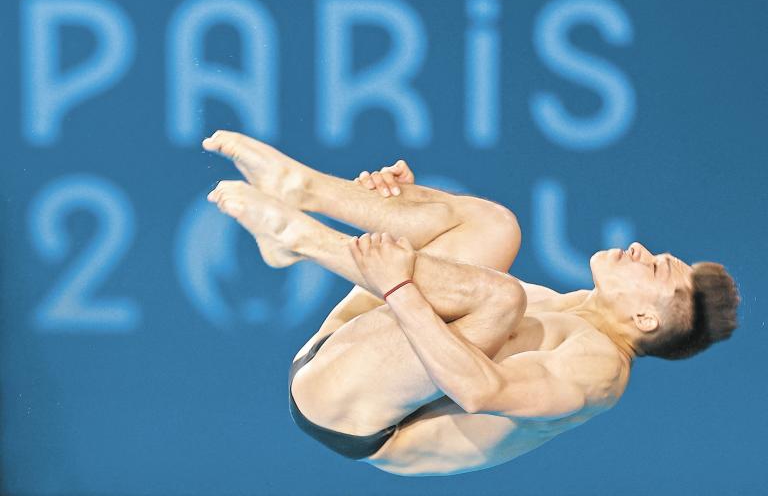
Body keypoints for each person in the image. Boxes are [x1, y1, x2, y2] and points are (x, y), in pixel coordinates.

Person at [202, 130, 741, 476]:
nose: (642, 250)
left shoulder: (598, 370)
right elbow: (449, 279)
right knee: (495, 226)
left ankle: (302, 239)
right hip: (347, 351)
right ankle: (306, 191)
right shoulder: (570, 305)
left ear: (644, 319)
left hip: (352, 415)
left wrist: (396, 286)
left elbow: (480, 390)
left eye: (655, 269)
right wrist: (406, 202)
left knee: (498, 296)